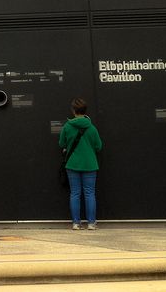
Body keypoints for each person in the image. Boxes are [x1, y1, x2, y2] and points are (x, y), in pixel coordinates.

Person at [59, 97, 103, 231]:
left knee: (75, 193)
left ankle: (76, 223)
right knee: (89, 193)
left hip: (72, 164)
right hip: (90, 164)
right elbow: (99, 146)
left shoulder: (67, 126)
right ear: (85, 111)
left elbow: (61, 144)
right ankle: (91, 223)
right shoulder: (92, 128)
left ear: (73, 110)